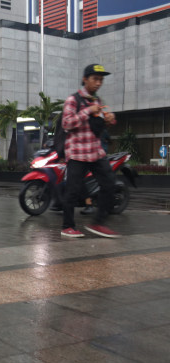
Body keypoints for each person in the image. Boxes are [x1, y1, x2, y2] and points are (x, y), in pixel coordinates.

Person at [61, 64, 119, 238]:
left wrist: (109, 120)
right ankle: (68, 226)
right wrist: (87, 111)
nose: (98, 83)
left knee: (110, 183)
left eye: (101, 80)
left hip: (95, 152)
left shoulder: (98, 101)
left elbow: (97, 127)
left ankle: (98, 223)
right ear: (85, 79)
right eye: (95, 79)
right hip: (78, 152)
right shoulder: (73, 100)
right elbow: (67, 124)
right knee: (72, 190)